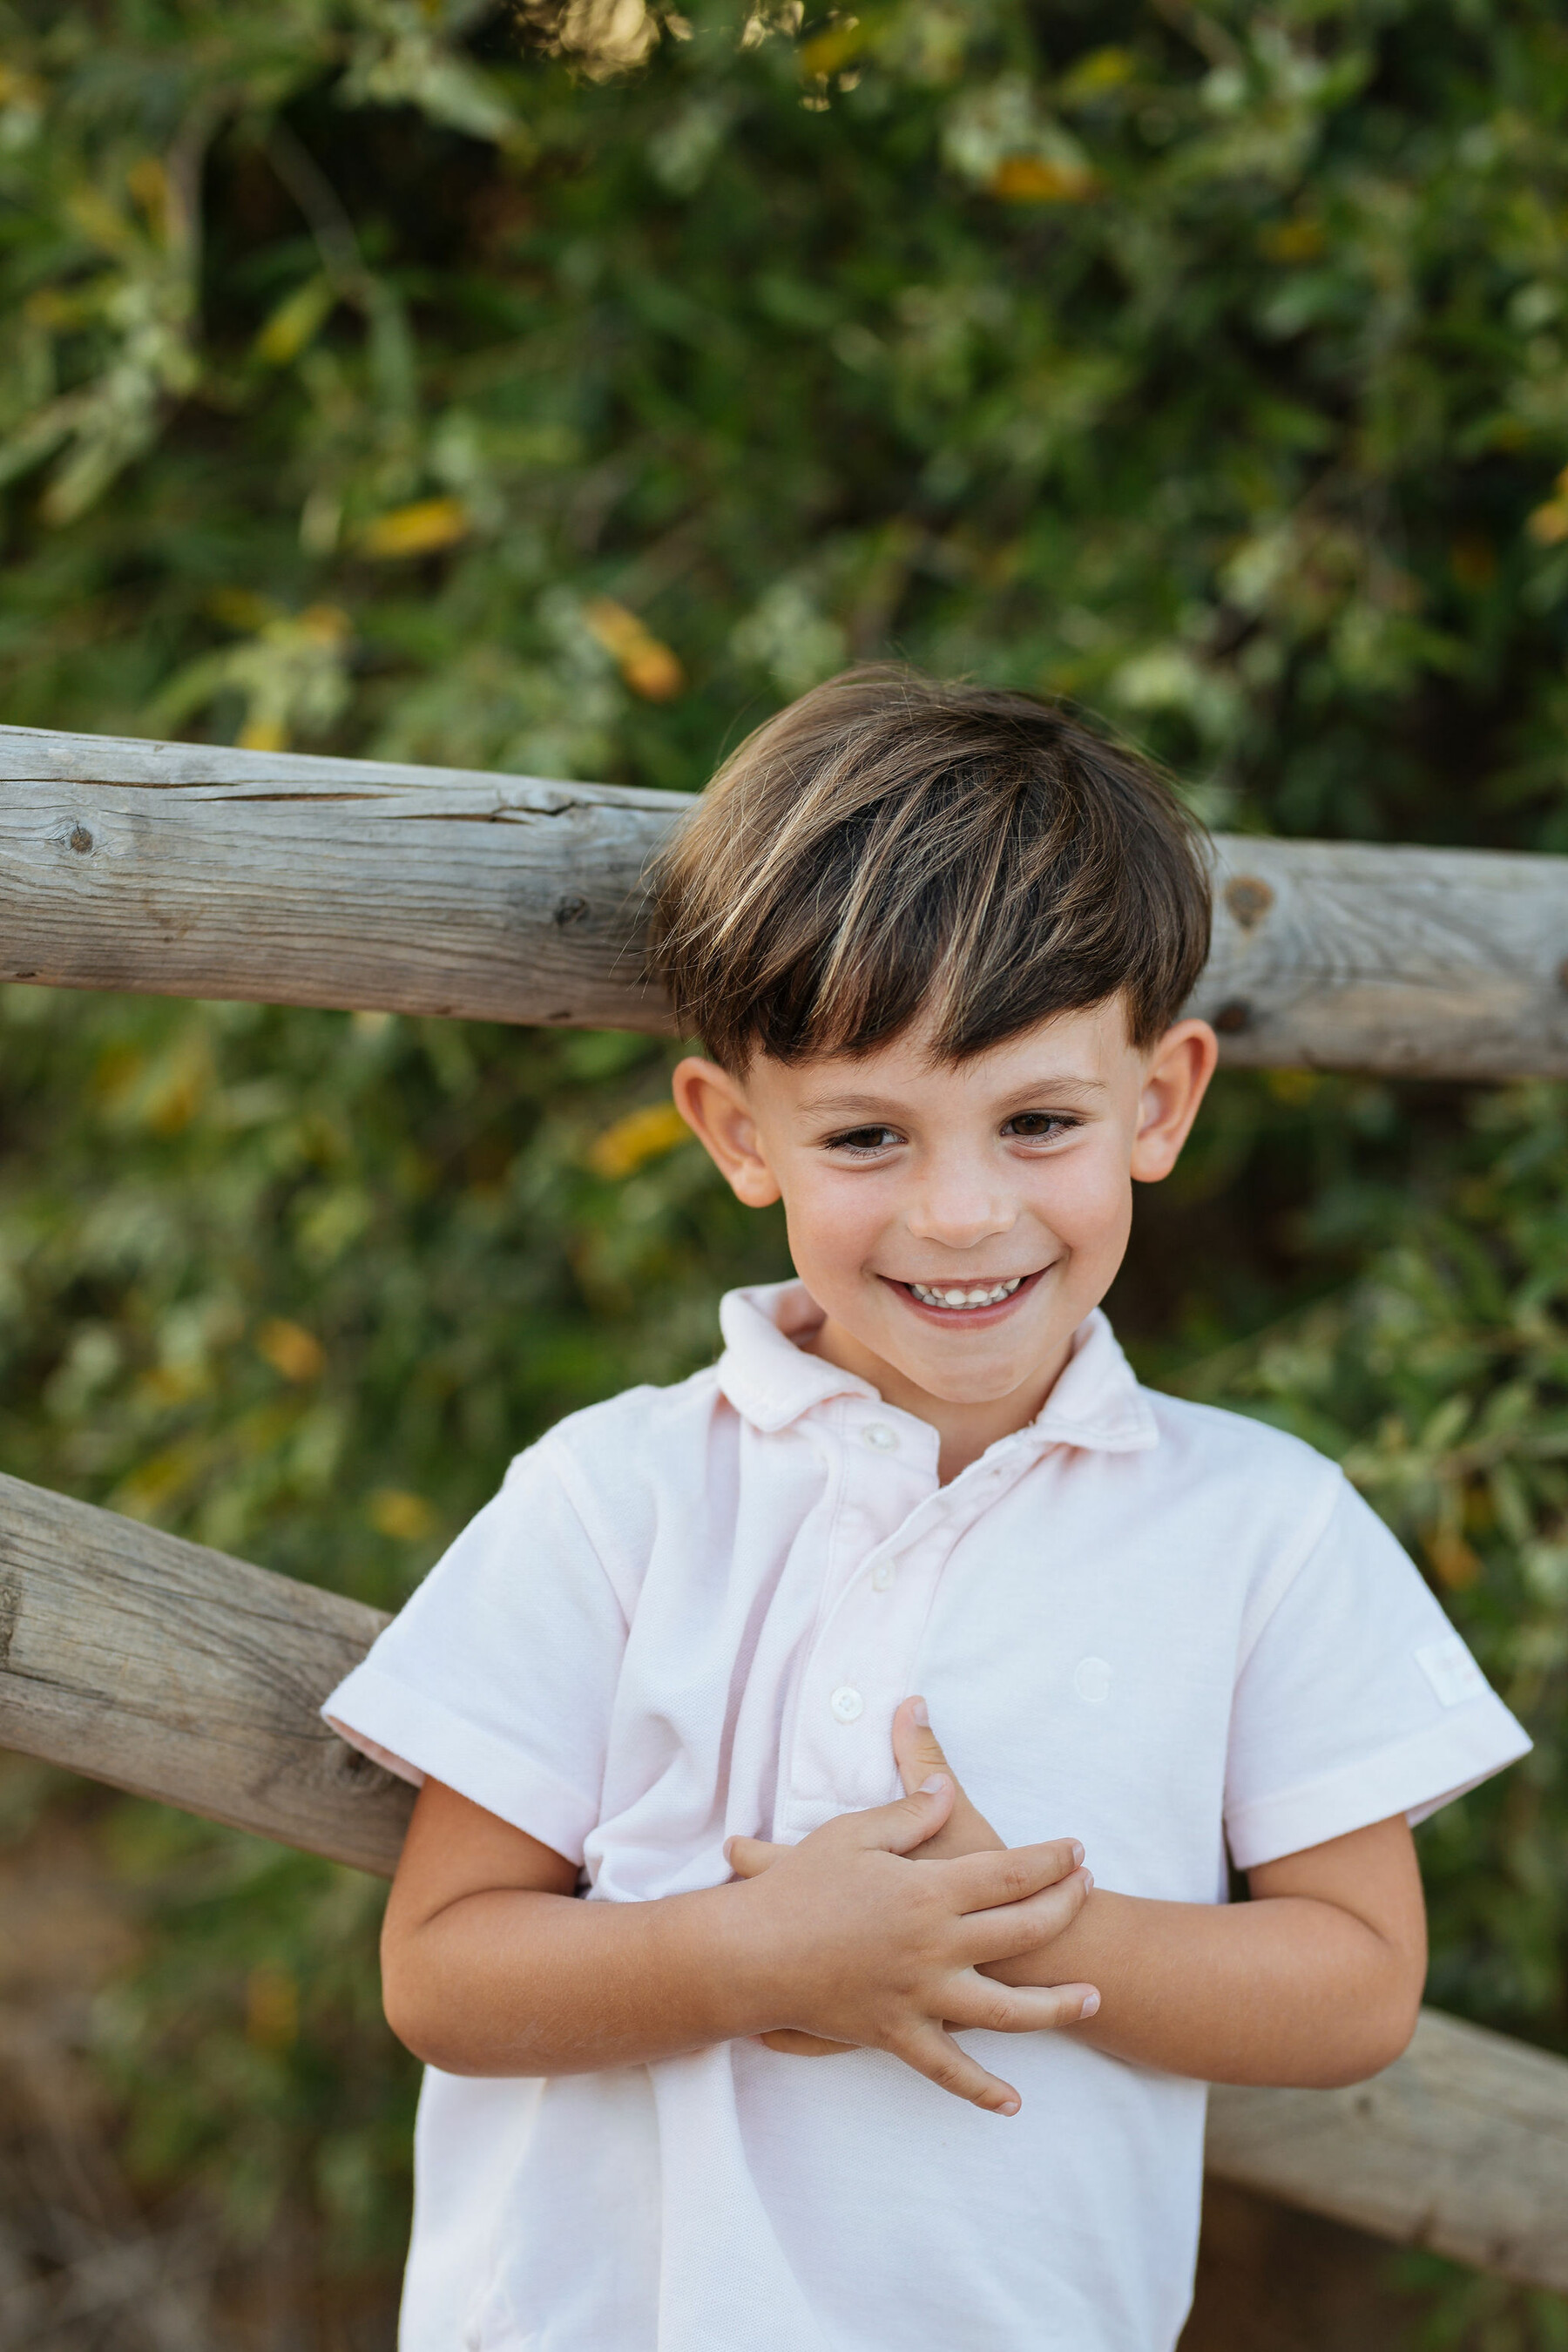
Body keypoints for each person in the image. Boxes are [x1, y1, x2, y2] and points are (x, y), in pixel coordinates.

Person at [322, 667, 1529, 2352]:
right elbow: (444, 1973)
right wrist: (765, 1958)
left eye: (1038, 1122)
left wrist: (1016, 1932)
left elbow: (1355, 1985)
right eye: (869, 1135)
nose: (963, 1215)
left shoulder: (1267, 1529)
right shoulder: (617, 1496)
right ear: (738, 1135)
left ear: (1161, 1102)